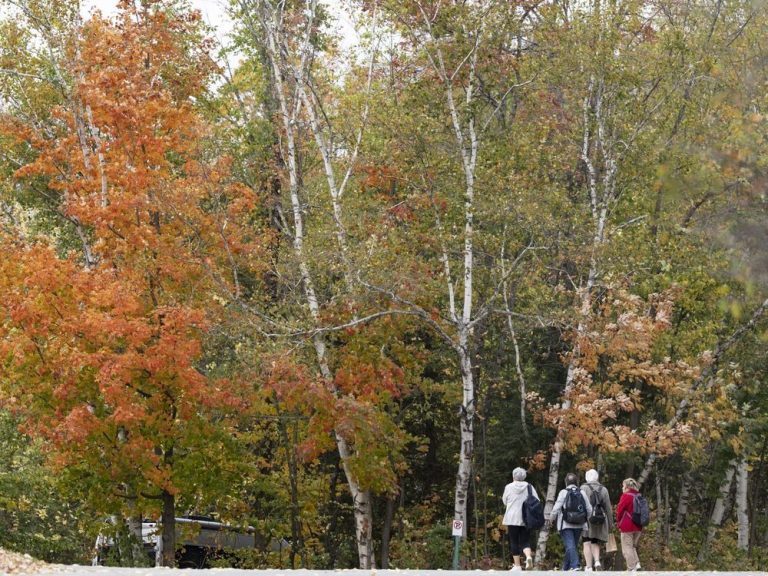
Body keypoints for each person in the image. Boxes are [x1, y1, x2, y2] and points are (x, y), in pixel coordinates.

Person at [550, 472, 592, 571]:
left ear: (566, 482)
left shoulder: (563, 492)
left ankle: (575, 565)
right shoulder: (581, 492)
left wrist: (551, 518)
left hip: (565, 524)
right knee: (572, 546)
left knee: (570, 546)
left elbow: (557, 507)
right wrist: (585, 519)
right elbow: (589, 509)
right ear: (576, 482)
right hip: (579, 524)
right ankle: (565, 568)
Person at [502, 467, 539, 571]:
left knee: (514, 541)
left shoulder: (508, 487)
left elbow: (505, 501)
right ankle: (528, 557)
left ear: (514, 476)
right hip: (526, 518)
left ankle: (517, 566)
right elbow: (537, 501)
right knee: (525, 541)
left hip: (512, 518)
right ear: (524, 476)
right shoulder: (529, 487)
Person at [580, 469, 614, 571]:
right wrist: (611, 524)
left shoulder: (583, 488)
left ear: (587, 477)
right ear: (597, 477)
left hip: (587, 519)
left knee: (586, 542)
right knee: (595, 541)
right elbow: (608, 508)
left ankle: (589, 566)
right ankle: (597, 561)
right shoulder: (604, 489)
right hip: (600, 520)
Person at [615, 478, 642, 571]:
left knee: (627, 548)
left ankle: (631, 568)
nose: (622, 488)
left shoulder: (626, 496)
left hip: (627, 526)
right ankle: (637, 564)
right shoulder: (639, 496)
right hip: (638, 526)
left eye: (623, 486)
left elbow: (619, 512)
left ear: (626, 487)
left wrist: (618, 522)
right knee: (632, 546)